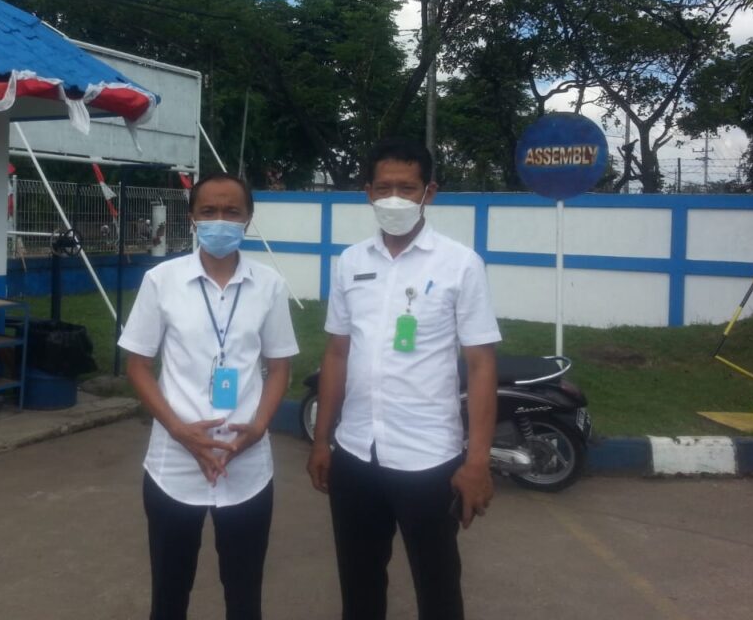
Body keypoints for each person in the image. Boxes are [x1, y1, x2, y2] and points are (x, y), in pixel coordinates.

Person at [306, 137, 500, 620]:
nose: (394, 198)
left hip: (429, 459)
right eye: (384, 187)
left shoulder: (460, 264)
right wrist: (322, 440)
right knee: (359, 585)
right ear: (368, 192)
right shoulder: (351, 262)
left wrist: (477, 461)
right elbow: (336, 353)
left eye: (407, 188)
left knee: (438, 589)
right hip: (356, 454)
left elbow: (481, 365)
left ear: (429, 192)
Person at [120, 172, 299, 620]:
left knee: (244, 595)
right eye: (209, 211)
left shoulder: (269, 285)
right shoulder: (161, 281)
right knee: (169, 594)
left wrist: (259, 427)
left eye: (232, 211)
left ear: (248, 219)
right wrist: (180, 431)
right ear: (192, 218)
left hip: (247, 464)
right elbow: (138, 365)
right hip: (173, 465)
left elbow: (280, 367)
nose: (221, 220)